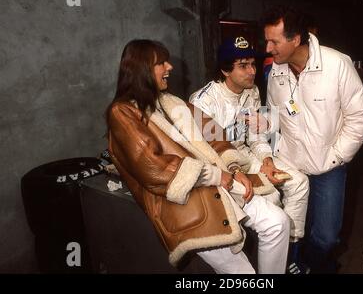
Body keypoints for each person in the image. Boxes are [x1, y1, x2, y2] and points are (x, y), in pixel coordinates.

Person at [105, 39, 290, 274]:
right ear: (142, 69)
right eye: (161, 63)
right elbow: (154, 168)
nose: (169, 67)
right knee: (243, 274)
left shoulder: (171, 101)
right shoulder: (121, 112)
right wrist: (217, 175)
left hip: (216, 183)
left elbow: (214, 135)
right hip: (180, 202)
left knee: (278, 223)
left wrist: (233, 169)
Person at [261, 6, 363, 273]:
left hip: (328, 168)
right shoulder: (275, 72)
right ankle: (302, 266)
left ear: (295, 39)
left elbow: (361, 117)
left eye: (274, 41)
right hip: (291, 168)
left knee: (325, 236)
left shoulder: (337, 65)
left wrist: (336, 155)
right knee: (291, 230)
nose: (267, 48)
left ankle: (311, 265)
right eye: (266, 40)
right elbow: (272, 118)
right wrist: (266, 152)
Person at [190, 36, 309, 274]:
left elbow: (254, 135)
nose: (252, 71)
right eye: (243, 66)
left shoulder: (252, 90)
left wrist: (266, 160)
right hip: (221, 166)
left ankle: (289, 255)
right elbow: (206, 154)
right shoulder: (202, 102)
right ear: (225, 70)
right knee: (273, 199)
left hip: (246, 155)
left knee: (300, 183)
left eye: (253, 64)